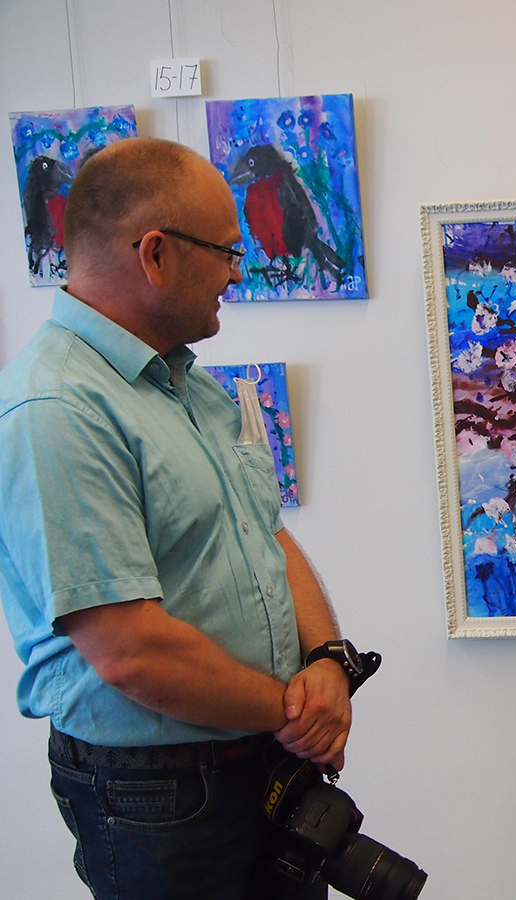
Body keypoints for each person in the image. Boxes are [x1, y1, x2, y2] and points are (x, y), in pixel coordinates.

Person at [0, 137, 359, 899]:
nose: (238, 270)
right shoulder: (57, 408)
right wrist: (297, 710)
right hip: (160, 795)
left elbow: (266, 535)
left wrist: (328, 658)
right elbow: (130, 651)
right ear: (155, 254)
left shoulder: (185, 387)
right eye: (225, 250)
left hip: (258, 758)